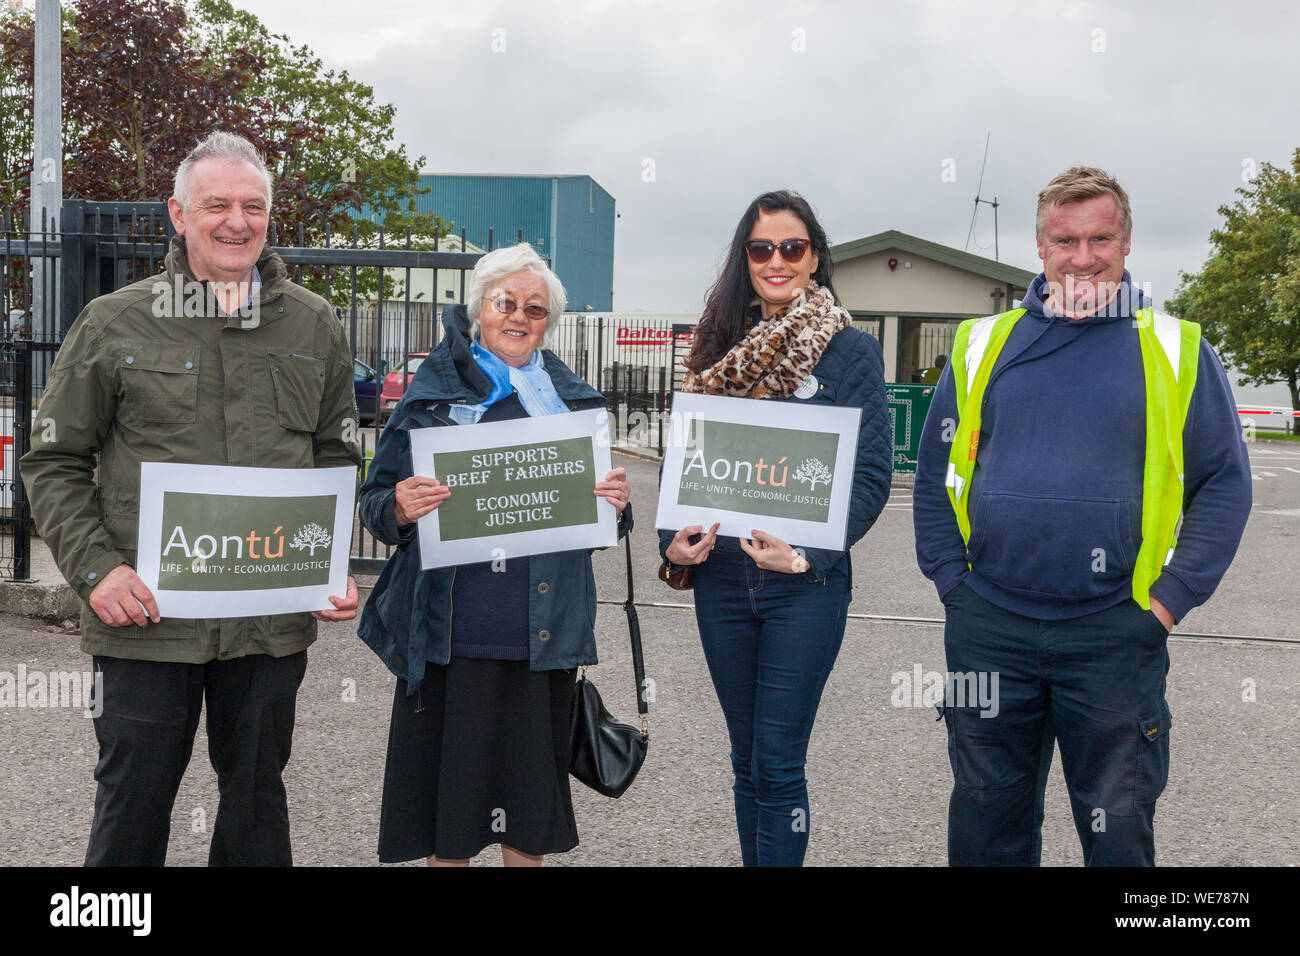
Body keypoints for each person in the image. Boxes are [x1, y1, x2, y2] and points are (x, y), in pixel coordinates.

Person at [19, 130, 362, 866]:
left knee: (256, 797)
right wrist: (96, 572)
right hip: (146, 618)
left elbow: (334, 456)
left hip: (268, 622)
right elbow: (52, 458)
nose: (237, 221)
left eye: (253, 206)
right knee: (133, 801)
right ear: (179, 214)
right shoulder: (115, 321)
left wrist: (328, 562)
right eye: (217, 204)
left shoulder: (313, 324)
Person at [913, 166, 1252, 866]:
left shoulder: (1176, 349)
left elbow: (1223, 483)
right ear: (1040, 247)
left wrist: (1166, 603)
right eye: (1066, 240)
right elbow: (934, 473)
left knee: (1117, 831)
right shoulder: (982, 347)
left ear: (1126, 244)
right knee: (986, 824)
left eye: (1102, 238)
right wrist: (952, 581)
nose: (1084, 256)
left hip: (1114, 632)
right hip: (990, 629)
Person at [357, 242, 632, 867]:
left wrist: (617, 506)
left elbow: (600, 526)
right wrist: (398, 506)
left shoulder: (575, 404)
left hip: (538, 641)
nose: (519, 317)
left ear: (548, 323)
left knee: (527, 824)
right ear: (479, 308)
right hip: (448, 638)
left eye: (535, 310)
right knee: (447, 825)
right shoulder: (429, 398)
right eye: (505, 302)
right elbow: (375, 504)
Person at [658, 190, 892, 866]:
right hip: (724, 582)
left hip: (804, 584)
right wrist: (673, 548)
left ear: (814, 254)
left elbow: (871, 477)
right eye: (762, 248)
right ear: (746, 258)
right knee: (745, 761)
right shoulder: (715, 347)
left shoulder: (849, 350)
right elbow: (686, 462)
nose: (777, 261)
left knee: (779, 761)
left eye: (792, 247)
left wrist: (807, 552)